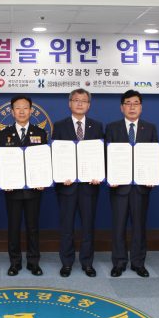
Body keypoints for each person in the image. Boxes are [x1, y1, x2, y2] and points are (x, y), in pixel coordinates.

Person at [104, 90, 158, 278]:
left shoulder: (150, 128)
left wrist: (153, 176)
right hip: (119, 186)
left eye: (136, 103)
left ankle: (138, 262)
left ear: (141, 107)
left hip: (141, 187)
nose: (132, 107)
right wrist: (110, 177)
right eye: (128, 103)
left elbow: (154, 156)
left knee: (139, 227)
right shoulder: (112, 128)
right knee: (118, 226)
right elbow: (107, 156)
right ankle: (119, 263)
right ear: (122, 107)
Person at [52, 88, 104, 278]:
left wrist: (99, 174)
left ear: (89, 105)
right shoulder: (59, 126)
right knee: (67, 226)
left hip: (89, 186)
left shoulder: (97, 126)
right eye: (76, 100)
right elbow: (55, 155)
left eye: (84, 101)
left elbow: (100, 155)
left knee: (88, 226)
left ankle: (87, 262)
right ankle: (66, 262)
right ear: (69, 103)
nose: (80, 103)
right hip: (67, 186)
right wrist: (60, 175)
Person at [0, 95, 48, 276]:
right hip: (12, 190)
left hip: (34, 189)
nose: (22, 111)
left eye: (25, 108)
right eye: (18, 108)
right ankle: (15, 262)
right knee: (14, 227)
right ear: (12, 112)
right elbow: (0, 162)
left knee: (33, 227)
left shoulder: (40, 133)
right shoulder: (3, 134)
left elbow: (44, 161)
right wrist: (4, 181)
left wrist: (43, 179)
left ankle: (34, 262)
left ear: (31, 111)